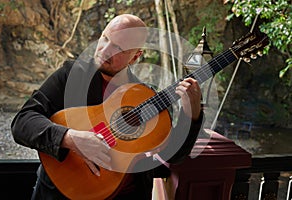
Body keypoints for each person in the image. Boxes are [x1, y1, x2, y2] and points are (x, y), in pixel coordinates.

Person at [11, 14, 204, 200]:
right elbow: (22, 122)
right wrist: (70, 138)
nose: (104, 50)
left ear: (135, 57)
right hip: (60, 194)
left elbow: (174, 156)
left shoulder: (146, 97)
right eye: (104, 39)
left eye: (118, 47)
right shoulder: (72, 75)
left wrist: (191, 115)